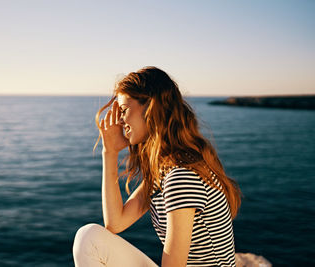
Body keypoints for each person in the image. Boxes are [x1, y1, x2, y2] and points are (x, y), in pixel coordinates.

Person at [73, 66, 241, 266]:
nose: (120, 120)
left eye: (124, 110)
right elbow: (115, 223)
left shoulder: (181, 176)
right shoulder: (164, 170)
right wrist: (109, 152)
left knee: (89, 238)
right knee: (90, 237)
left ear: (151, 108)